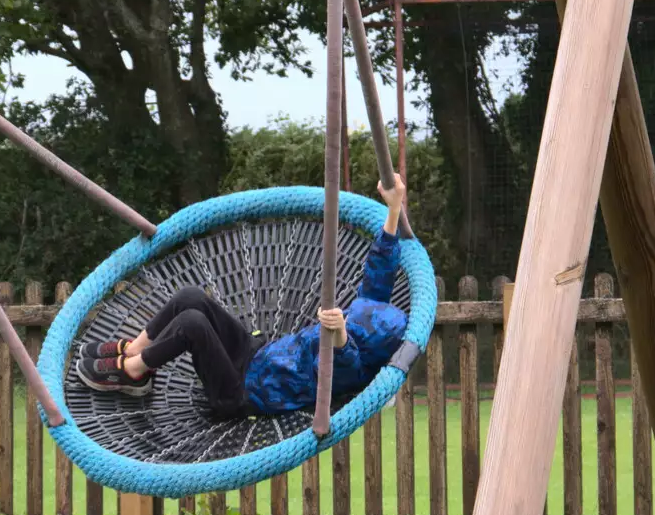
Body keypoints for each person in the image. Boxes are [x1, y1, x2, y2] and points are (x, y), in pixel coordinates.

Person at [75, 176, 410, 418]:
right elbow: (378, 273)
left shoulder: (357, 367)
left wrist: (340, 332)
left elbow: (341, 360)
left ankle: (133, 373)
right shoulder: (369, 313)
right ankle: (136, 349)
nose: (352, 316)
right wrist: (394, 211)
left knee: (192, 324)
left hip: (243, 394)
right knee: (191, 297)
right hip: (257, 355)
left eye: (356, 324)